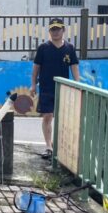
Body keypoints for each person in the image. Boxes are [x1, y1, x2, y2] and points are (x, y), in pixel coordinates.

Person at [30, 18, 80, 160]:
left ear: (63, 30)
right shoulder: (43, 48)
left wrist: (78, 84)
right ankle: (48, 146)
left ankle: (62, 146)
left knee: (63, 118)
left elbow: (74, 67)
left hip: (64, 89)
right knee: (47, 116)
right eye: (53, 29)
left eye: (58, 29)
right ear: (49, 31)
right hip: (46, 88)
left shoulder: (69, 48)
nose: (55, 32)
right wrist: (33, 84)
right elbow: (36, 69)